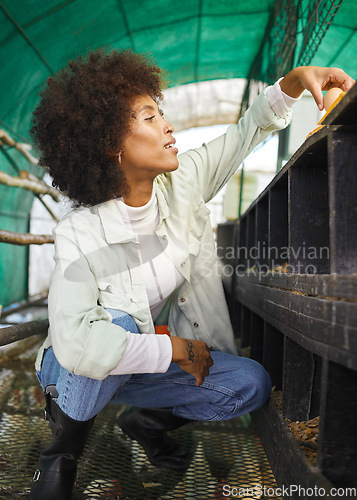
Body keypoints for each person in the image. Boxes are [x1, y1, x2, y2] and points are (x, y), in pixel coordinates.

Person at [28, 48, 355, 499]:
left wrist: (295, 82)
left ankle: (146, 420)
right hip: (75, 372)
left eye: (160, 113)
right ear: (110, 145)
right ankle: (61, 455)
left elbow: (245, 133)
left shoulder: (182, 185)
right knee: (114, 324)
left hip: (138, 365)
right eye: (149, 117)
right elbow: (77, 346)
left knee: (251, 384)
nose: (168, 125)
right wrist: (173, 347)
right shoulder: (79, 233)